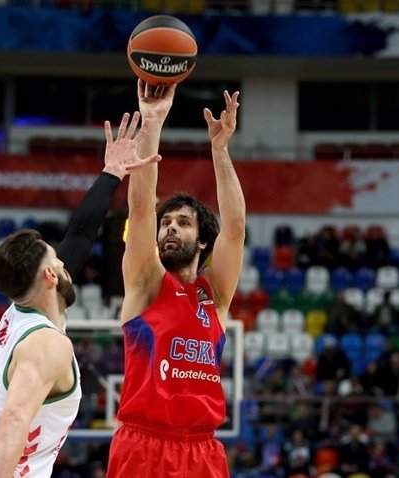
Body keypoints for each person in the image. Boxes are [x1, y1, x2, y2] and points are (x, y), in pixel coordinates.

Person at [0, 111, 160, 478]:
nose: (66, 262)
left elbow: (81, 234)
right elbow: (13, 419)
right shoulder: (47, 344)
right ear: (50, 275)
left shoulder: (18, 314)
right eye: (56, 259)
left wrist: (112, 172)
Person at [106, 80, 246, 477]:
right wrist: (152, 121)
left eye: (182, 223)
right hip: (143, 445)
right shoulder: (146, 283)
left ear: (202, 240)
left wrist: (220, 151)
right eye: (165, 222)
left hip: (202, 448)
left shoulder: (214, 295)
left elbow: (235, 228)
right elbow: (139, 206)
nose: (169, 228)